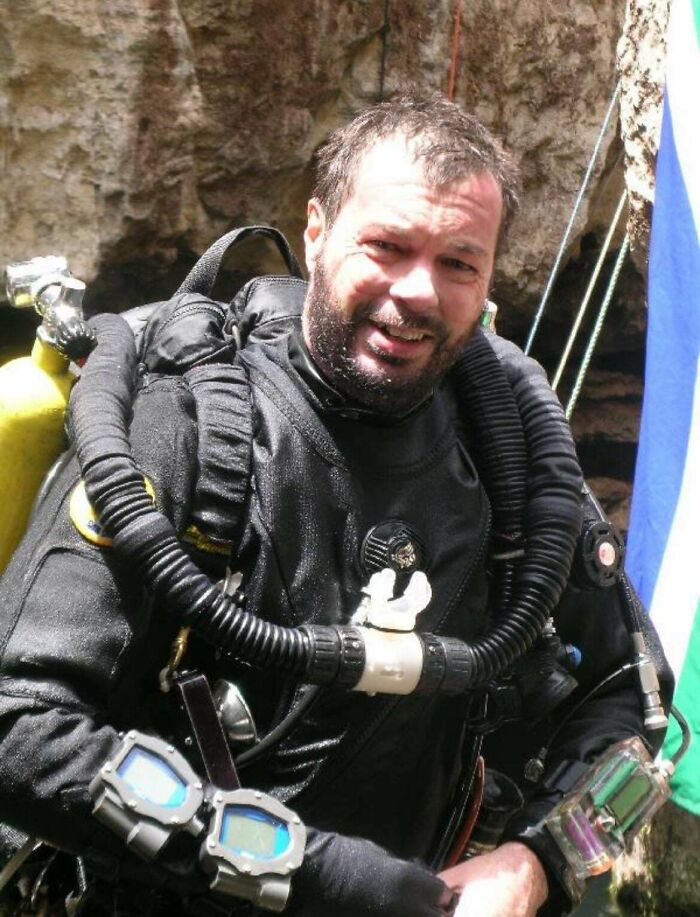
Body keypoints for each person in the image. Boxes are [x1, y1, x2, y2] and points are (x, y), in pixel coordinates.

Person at [0, 93, 670, 917]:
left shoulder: (511, 454)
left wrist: (538, 860)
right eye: (387, 246)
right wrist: (323, 875)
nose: (418, 291)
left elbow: (634, 700)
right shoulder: (187, 428)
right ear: (316, 232)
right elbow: (20, 729)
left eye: (459, 263)